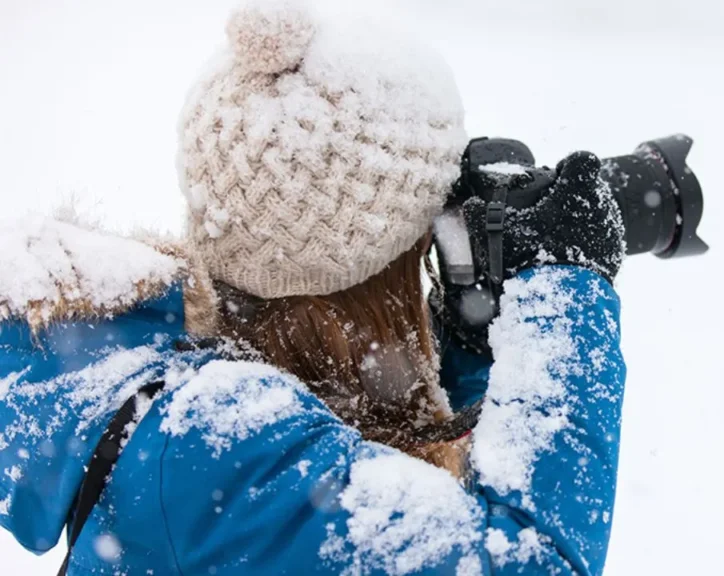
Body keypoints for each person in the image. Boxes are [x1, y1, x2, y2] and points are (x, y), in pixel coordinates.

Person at [0, 1, 626, 574]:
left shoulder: (178, 398)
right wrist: (559, 287)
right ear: (383, 268)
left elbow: (372, 460)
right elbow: (527, 562)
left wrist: (466, 344)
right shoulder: (215, 441)